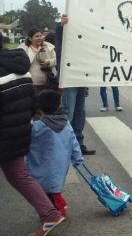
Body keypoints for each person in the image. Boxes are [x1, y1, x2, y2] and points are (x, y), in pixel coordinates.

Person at [0, 32, 65, 236]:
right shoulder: (22, 67)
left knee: (18, 176)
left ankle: (50, 213)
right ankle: (50, 213)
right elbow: (33, 103)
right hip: (20, 132)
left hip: (5, 135)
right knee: (19, 176)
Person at [26, 90, 84, 218]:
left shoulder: (37, 127)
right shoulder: (66, 123)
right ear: (59, 105)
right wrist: (77, 158)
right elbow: (74, 142)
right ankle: (55, 207)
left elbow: (26, 141)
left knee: (46, 189)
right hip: (60, 164)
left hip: (41, 163)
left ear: (39, 107)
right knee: (53, 186)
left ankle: (58, 210)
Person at [56, 15, 96, 155]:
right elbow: (59, 43)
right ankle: (63, 146)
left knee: (80, 113)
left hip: (81, 79)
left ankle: (78, 144)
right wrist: (62, 26)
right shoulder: (64, 37)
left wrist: (87, 85)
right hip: (69, 79)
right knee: (69, 112)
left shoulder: (84, 41)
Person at [19, 28, 57, 93]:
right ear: (30, 38)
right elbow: (21, 64)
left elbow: (56, 60)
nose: (39, 38)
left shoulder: (48, 47)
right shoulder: (24, 49)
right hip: (32, 82)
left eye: (40, 36)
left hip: (49, 81)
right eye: (36, 36)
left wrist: (49, 62)